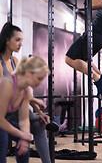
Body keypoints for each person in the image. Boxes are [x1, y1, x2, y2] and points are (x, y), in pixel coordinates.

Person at [0, 22, 58, 163]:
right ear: (7, 40)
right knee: (26, 127)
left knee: (38, 126)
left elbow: (23, 89)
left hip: (14, 109)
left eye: (22, 40)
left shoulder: (15, 61)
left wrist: (39, 110)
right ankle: (35, 117)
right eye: (17, 40)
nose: (20, 44)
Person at [0, 55, 50, 163]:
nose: (41, 83)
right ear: (28, 72)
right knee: (2, 135)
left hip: (5, 120)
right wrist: (23, 135)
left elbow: (24, 119)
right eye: (39, 78)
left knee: (24, 142)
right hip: (1, 122)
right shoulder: (7, 84)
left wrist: (25, 137)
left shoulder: (25, 90)